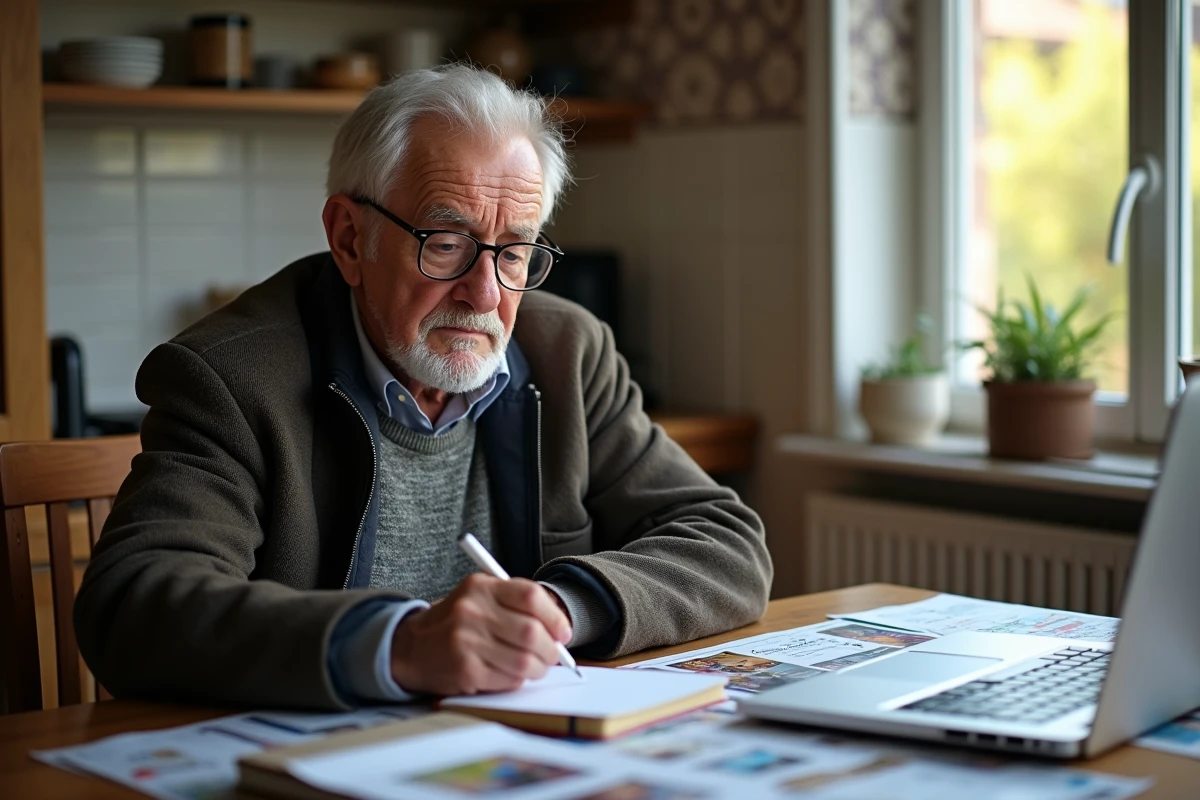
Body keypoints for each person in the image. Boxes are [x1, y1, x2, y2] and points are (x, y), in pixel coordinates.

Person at [75, 64, 773, 709]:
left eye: (516, 252)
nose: (483, 293)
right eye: (445, 242)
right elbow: (133, 605)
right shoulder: (231, 377)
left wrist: (561, 609)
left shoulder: (568, 351)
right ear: (350, 239)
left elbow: (727, 543)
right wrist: (398, 644)